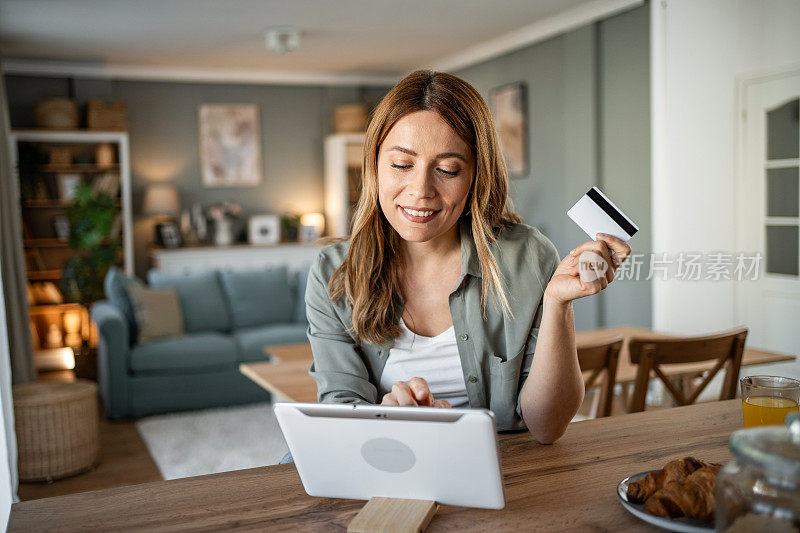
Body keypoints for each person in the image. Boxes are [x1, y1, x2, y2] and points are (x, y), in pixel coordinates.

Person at [306, 70, 630, 444]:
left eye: (447, 170)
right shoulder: (335, 272)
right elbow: (340, 414)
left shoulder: (527, 256)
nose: (420, 190)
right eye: (401, 164)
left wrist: (558, 304)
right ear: (375, 166)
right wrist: (386, 415)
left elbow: (547, 427)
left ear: (477, 175)